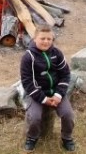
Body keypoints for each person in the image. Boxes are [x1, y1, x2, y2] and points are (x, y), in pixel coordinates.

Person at [20, 24, 76, 152]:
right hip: (37, 93)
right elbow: (27, 82)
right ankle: (32, 137)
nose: (46, 42)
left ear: (52, 40)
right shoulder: (28, 57)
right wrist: (44, 99)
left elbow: (65, 74)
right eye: (42, 38)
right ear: (35, 39)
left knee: (68, 114)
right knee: (34, 117)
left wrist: (58, 95)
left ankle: (67, 137)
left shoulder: (57, 53)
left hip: (56, 92)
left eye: (49, 39)